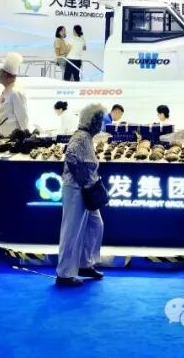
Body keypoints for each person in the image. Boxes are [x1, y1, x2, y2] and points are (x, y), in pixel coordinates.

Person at [55, 103, 106, 287]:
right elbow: (70, 156)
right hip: (77, 189)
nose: (101, 124)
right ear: (92, 121)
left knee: (95, 225)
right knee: (72, 231)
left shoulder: (86, 137)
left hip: (85, 188)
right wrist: (84, 180)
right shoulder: (82, 137)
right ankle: (64, 273)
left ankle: (85, 263)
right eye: (99, 120)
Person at [0, 53, 29, 137]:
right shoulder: (6, 90)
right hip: (3, 137)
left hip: (12, 138)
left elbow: (23, 117)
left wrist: (25, 136)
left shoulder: (16, 92)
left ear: (6, 75)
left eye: (0, 72)